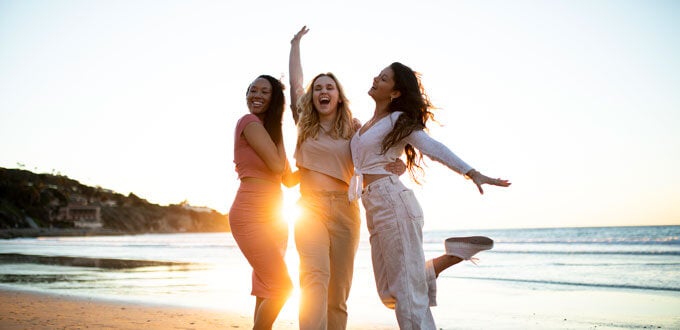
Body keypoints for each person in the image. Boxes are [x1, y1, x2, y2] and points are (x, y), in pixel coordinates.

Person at [349, 62, 511, 329]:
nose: (375, 78)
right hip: (372, 205)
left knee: (406, 294)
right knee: (388, 291)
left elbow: (433, 147)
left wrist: (472, 172)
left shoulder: (399, 120)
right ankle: (455, 254)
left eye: (384, 78)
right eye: (378, 75)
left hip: (393, 203)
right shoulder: (364, 125)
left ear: (396, 92)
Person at [287, 26, 405, 330]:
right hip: (309, 209)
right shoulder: (303, 124)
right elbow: (296, 82)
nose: (322, 91)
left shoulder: (354, 130)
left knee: (338, 292)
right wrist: (295, 44)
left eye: (329, 88)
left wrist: (398, 165)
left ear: (339, 97)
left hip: (345, 211)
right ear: (311, 98)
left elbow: (380, 153)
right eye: (318, 88)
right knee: (314, 279)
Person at [229, 75, 293, 330]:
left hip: (275, 216)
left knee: (267, 286)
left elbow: (289, 179)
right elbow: (278, 166)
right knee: (282, 287)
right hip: (250, 213)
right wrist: (276, 126)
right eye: (252, 90)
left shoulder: (270, 131)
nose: (256, 95)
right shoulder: (249, 122)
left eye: (264, 91)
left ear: (274, 98)